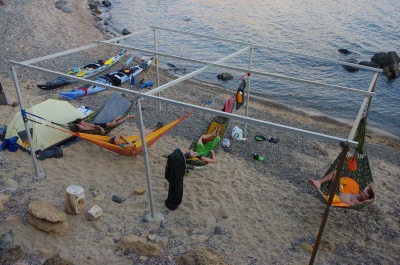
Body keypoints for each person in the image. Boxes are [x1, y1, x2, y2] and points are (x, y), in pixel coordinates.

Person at [308, 170, 376, 206]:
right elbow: (371, 183)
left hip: (335, 198)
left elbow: (369, 200)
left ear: (366, 199)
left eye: (364, 196)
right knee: (336, 172)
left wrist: (372, 199)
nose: (362, 195)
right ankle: (319, 182)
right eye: (363, 193)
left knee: (327, 199)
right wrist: (374, 195)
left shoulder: (360, 202)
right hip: (337, 191)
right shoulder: (360, 194)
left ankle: (317, 188)